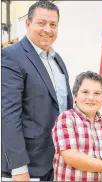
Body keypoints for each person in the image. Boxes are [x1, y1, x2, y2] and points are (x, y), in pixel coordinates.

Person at [1, 1, 73, 181]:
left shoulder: (58, 60)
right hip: (28, 167)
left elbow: (63, 107)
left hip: (58, 162)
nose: (48, 29)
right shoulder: (11, 56)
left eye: (53, 25)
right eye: (41, 23)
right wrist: (18, 167)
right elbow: (7, 115)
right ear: (28, 23)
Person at [51, 71, 102, 181]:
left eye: (97, 93)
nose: (91, 98)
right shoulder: (66, 119)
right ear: (75, 96)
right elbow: (71, 157)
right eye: (85, 92)